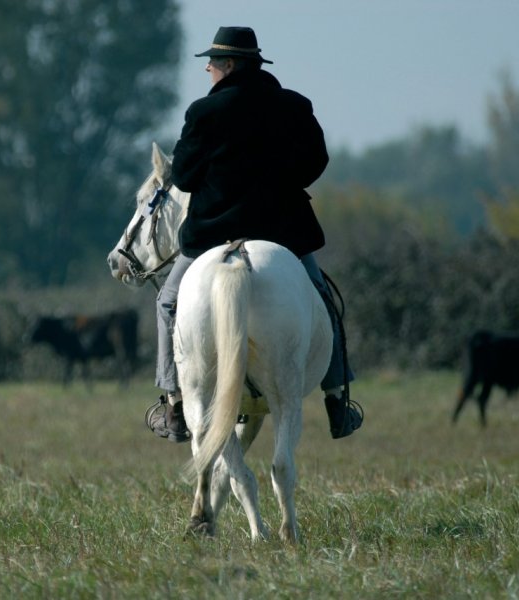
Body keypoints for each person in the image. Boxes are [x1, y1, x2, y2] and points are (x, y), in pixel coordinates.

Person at [146, 26, 363, 443]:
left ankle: (172, 404)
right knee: (322, 300)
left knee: (169, 301)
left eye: (211, 64)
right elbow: (316, 162)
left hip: (213, 234)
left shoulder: (202, 113)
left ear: (227, 66)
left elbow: (186, 178)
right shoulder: (295, 106)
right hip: (284, 234)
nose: (208, 70)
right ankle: (337, 398)